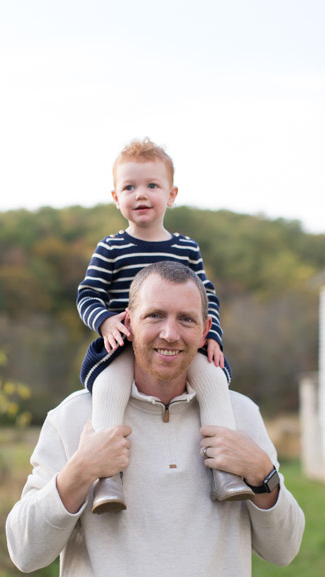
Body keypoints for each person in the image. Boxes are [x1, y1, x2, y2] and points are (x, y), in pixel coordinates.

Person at [6, 261, 305, 577]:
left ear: (205, 331)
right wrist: (79, 471)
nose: (170, 333)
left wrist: (262, 473)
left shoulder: (240, 416)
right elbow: (25, 552)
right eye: (155, 316)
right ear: (128, 322)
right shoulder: (74, 417)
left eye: (186, 319)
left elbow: (284, 550)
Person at [77, 137, 254, 512]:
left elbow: (207, 299)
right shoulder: (111, 248)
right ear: (115, 196)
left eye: (152, 186)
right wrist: (106, 321)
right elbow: (88, 294)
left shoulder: (186, 248)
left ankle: (225, 472)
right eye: (129, 187)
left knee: (214, 380)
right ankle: (109, 479)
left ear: (171, 195)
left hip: (179, 343)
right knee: (109, 387)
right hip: (126, 343)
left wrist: (214, 338)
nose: (140, 194)